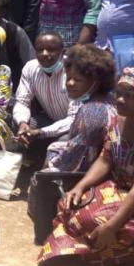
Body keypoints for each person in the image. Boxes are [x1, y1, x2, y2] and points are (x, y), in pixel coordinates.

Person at [38, 68, 134, 266]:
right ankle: (101, 252)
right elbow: (105, 160)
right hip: (120, 187)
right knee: (68, 204)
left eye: (129, 96)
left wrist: (111, 227)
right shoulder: (118, 120)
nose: (120, 100)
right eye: (119, 93)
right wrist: (79, 187)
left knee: (96, 222)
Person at [44, 44, 117, 172]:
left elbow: (75, 161)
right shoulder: (109, 100)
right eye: (68, 77)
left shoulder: (90, 112)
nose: (70, 84)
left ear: (96, 82)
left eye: (77, 79)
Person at [12, 32, 80, 167]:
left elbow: (73, 120)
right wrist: (22, 124)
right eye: (40, 50)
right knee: (20, 124)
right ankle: (29, 163)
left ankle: (50, 178)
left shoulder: (73, 72)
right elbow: (22, 102)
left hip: (74, 126)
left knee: (64, 139)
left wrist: (40, 133)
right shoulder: (30, 68)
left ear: (62, 52)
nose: (44, 53)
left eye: (51, 49)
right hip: (50, 120)